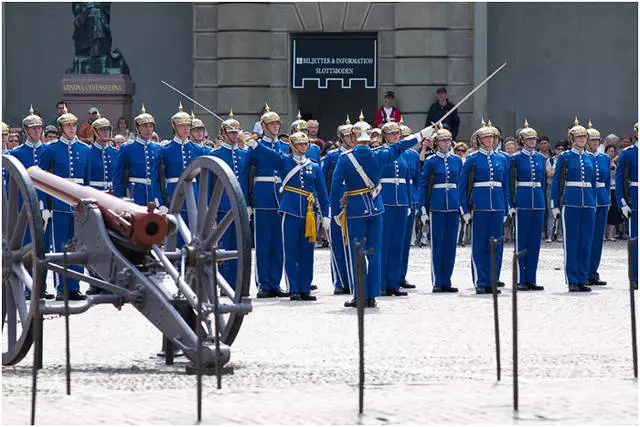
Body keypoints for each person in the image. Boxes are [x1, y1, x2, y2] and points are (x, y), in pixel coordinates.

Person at [331, 113, 428, 308]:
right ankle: (372, 295)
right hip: (376, 207)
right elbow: (400, 146)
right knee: (374, 253)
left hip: (356, 209)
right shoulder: (380, 154)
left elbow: (335, 185)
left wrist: (335, 211)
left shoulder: (345, 158)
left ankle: (360, 295)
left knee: (357, 253)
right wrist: (420, 135)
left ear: (354, 137)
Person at [244, 131, 330, 300]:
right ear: (292, 145)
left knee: (307, 252)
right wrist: (255, 144)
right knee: (290, 251)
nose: (303, 147)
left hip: (309, 213)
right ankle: (293, 288)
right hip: (290, 210)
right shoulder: (285, 162)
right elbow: (269, 155)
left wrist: (325, 214)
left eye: (305, 144)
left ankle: (305, 287)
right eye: (300, 144)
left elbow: (322, 193)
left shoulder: (314, 166)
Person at [39, 105, 90, 301]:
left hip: (78, 203)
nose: (71, 129)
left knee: (77, 246)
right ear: (61, 128)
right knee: (61, 246)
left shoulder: (84, 149)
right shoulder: (50, 149)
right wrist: (44, 206)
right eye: (68, 126)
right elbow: (40, 179)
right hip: (59, 202)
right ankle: (61, 287)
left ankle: (75, 286)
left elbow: (85, 182)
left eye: (73, 125)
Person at [240, 103, 289, 298]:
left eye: (277, 123)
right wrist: (246, 202)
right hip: (263, 196)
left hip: (282, 197)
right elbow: (244, 175)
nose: (276, 127)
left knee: (279, 243)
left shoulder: (284, 146)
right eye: (271, 124)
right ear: (264, 126)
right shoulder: (254, 148)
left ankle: (275, 282)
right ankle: (263, 284)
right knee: (262, 243)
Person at [458, 119, 511, 294]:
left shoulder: (501, 159)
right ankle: (481, 281)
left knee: (497, 246)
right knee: (479, 245)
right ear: (480, 140)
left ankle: (493, 280)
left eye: (492, 138)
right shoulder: (472, 159)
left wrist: (506, 208)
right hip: (479, 206)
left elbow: (505, 186)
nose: (490, 141)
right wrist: (464, 210)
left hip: (497, 206)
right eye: (486, 138)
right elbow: (462, 186)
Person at [8, 106, 55, 299]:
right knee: (27, 246)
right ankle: (29, 288)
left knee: (44, 247)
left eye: (39, 128)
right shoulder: (18, 152)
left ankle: (41, 287)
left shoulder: (47, 150)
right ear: (26, 131)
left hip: (45, 204)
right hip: (23, 205)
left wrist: (48, 206)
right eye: (33, 129)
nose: (36, 132)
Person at [550, 118, 597, 292]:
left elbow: (592, 182)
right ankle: (572, 279)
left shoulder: (590, 157)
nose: (582, 140)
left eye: (584, 137)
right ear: (572, 139)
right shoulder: (565, 157)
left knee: (586, 242)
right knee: (572, 242)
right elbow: (556, 182)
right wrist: (554, 204)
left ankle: (583, 278)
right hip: (571, 202)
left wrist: (594, 202)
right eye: (578, 137)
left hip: (588, 203)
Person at [419, 124, 462, 292]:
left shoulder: (457, 160)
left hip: (453, 205)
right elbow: (424, 185)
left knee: (450, 245)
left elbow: (460, 183)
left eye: (448, 140)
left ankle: (447, 280)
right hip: (437, 205)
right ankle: (438, 281)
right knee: (437, 244)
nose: (447, 143)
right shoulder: (431, 161)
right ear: (437, 143)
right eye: (443, 141)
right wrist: (422, 208)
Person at [209, 112, 248, 290]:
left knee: (239, 246)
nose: (234, 135)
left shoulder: (244, 154)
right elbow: (210, 184)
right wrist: (212, 208)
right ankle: (224, 283)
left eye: (236, 132)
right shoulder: (216, 153)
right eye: (231, 132)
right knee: (224, 247)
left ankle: (237, 282)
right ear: (223, 134)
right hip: (223, 204)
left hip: (239, 205)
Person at [378, 118, 416, 296]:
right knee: (384, 243)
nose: (396, 136)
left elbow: (408, 180)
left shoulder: (405, 155)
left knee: (397, 244)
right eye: (392, 134)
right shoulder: (380, 152)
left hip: (401, 201)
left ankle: (393, 283)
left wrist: (408, 201)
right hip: (385, 200)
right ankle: (381, 283)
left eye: (397, 134)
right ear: (385, 136)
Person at [509, 119, 546, 291]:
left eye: (534, 139)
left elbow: (543, 182)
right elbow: (509, 182)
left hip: (537, 201)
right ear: (522, 140)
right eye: (529, 139)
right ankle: (520, 278)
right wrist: (511, 203)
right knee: (521, 242)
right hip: (522, 201)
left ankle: (531, 277)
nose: (532, 142)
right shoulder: (515, 158)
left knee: (534, 243)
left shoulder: (540, 158)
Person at [322, 116, 355, 295]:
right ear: (342, 138)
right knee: (337, 242)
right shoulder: (333, 155)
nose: (352, 139)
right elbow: (321, 176)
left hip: (354, 199)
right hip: (336, 201)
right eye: (349, 136)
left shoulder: (358, 153)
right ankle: (340, 281)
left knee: (352, 241)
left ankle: (353, 280)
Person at [112, 105, 163, 207]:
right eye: (144, 126)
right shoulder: (127, 148)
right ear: (137, 128)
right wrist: (119, 198)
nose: (148, 129)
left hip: (154, 194)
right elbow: (118, 175)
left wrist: (161, 199)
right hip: (134, 193)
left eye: (150, 126)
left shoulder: (158, 148)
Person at [585, 121, 610, 287]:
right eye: (592, 140)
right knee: (587, 237)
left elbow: (607, 181)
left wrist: (606, 198)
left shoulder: (604, 158)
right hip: (588, 198)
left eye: (597, 140)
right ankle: (584, 272)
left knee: (598, 239)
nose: (595, 143)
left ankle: (593, 272)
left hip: (601, 199)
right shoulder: (584, 157)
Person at [614, 123, 638, 290]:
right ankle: (635, 275)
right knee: (635, 240)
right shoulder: (629, 153)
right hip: (636, 197)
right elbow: (620, 178)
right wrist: (621, 200)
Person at [545, 141, 565, 242]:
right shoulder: (550, 160)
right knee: (551, 210)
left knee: (562, 212)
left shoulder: (566, 160)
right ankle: (549, 234)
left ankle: (560, 234)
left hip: (563, 187)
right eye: (558, 149)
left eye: (562, 149)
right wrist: (559, 172)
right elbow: (549, 174)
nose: (560, 151)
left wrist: (555, 173)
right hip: (551, 186)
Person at [606, 144, 622, 240]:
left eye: (613, 151)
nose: (611, 153)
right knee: (606, 211)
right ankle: (604, 234)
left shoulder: (615, 163)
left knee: (614, 212)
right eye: (610, 151)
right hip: (606, 189)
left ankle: (610, 234)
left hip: (614, 188)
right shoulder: (604, 161)